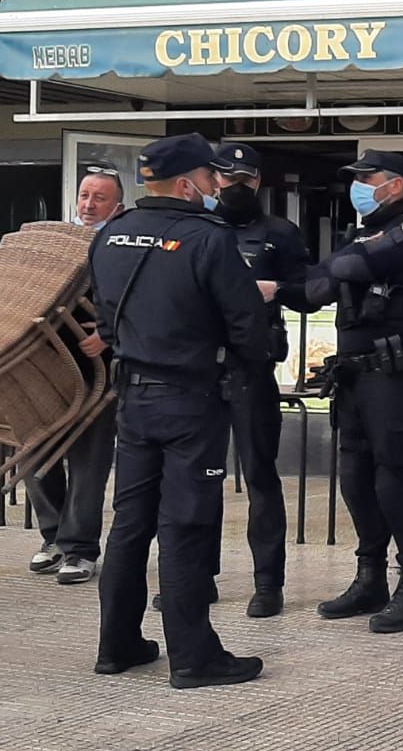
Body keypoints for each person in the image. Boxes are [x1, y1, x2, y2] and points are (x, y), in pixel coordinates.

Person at [90, 133, 270, 688]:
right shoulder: (207, 240)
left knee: (129, 523)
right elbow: (247, 327)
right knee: (186, 526)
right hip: (191, 400)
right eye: (213, 178)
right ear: (189, 182)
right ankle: (194, 656)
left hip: (133, 398)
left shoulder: (111, 235)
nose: (219, 187)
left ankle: (117, 644)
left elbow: (103, 319)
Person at [268, 150, 403, 634]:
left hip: (391, 373)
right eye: (357, 178)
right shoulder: (360, 233)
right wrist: (277, 287)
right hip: (353, 376)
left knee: (395, 477)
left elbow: (348, 269)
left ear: (397, 185)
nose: (359, 186)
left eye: (369, 178)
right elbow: (315, 290)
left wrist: (332, 269)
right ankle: (371, 576)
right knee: (355, 476)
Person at [212, 143, 311, 619]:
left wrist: (279, 289)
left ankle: (268, 583)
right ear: (214, 180)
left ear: (257, 183)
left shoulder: (279, 233)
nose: (235, 188)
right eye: (227, 179)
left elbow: (310, 291)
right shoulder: (196, 229)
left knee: (260, 477)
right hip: (199, 370)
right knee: (194, 482)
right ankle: (193, 576)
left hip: (252, 369)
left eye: (244, 180)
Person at [27, 170, 122, 585]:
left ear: (117, 205)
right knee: (34, 454)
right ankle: (53, 538)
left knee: (88, 462)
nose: (89, 204)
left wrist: (108, 335)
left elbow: (139, 301)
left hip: (97, 371)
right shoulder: (56, 246)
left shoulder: (121, 245)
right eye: (84, 195)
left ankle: (80, 548)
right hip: (44, 367)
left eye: (99, 198)